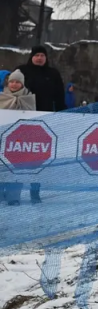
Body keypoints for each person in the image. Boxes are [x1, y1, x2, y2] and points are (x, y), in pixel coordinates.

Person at [0, 70, 41, 205]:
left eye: (17, 82)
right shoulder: (1, 97)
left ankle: (13, 197)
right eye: (11, 81)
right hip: (1, 137)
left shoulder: (29, 98)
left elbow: (32, 118)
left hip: (19, 139)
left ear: (22, 84)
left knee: (15, 170)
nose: (14, 84)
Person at [16, 45, 66, 113]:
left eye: (42, 55)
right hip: (23, 110)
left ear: (46, 58)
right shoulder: (21, 70)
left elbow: (59, 94)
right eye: (37, 55)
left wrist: (60, 111)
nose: (39, 58)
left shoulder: (53, 73)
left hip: (46, 111)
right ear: (32, 57)